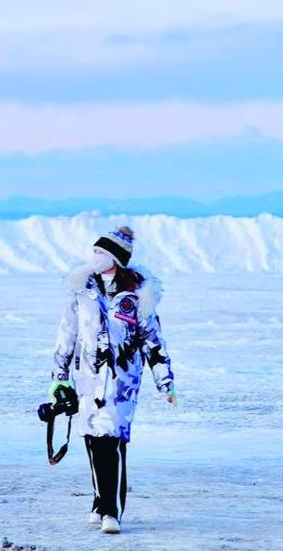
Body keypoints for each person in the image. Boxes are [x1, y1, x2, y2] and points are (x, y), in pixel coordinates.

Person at [50, 226, 175, 534]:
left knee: (111, 439)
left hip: (122, 381)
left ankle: (112, 511)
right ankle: (99, 501)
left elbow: (152, 339)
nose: (93, 257)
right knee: (93, 438)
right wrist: (59, 377)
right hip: (88, 378)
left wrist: (165, 380)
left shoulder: (136, 294)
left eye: (100, 252)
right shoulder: (82, 290)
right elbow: (67, 334)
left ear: (115, 259)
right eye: (94, 251)